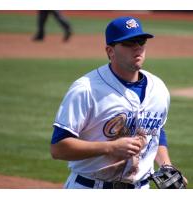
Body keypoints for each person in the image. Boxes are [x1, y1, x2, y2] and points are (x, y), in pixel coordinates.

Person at [50, 16, 177, 189]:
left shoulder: (158, 88)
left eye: (141, 41)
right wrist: (109, 147)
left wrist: (166, 165)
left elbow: (156, 131)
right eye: (129, 43)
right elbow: (58, 148)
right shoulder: (86, 89)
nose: (138, 47)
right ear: (110, 51)